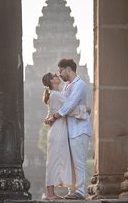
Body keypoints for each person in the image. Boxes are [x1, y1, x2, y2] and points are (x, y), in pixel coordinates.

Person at [46, 58, 91, 200]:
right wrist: (83, 110)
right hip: (69, 129)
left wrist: (55, 116)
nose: (59, 74)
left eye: (61, 71)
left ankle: (80, 191)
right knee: (72, 162)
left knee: (79, 161)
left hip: (79, 128)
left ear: (68, 69)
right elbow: (63, 105)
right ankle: (73, 191)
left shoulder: (80, 85)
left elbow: (69, 105)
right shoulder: (67, 86)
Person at [41, 72, 73, 200]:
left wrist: (49, 119)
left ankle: (51, 192)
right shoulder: (56, 95)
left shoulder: (54, 95)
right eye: (54, 76)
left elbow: (48, 115)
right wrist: (84, 109)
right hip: (58, 131)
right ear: (51, 81)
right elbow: (70, 106)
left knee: (54, 160)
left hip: (56, 130)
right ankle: (50, 193)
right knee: (54, 161)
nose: (57, 76)